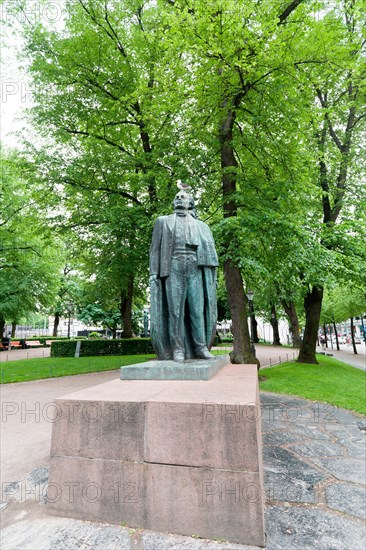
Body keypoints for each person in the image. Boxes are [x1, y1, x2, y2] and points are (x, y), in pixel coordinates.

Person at [149, 189, 218, 362]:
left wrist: (212, 279)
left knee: (197, 310)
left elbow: (210, 252)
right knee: (176, 312)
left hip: (195, 266)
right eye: (177, 198)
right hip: (173, 266)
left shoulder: (201, 226)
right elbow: (155, 250)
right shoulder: (163, 222)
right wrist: (153, 273)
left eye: (183, 197)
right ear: (173, 203)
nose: (180, 199)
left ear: (190, 203)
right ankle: (177, 349)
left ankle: (200, 347)